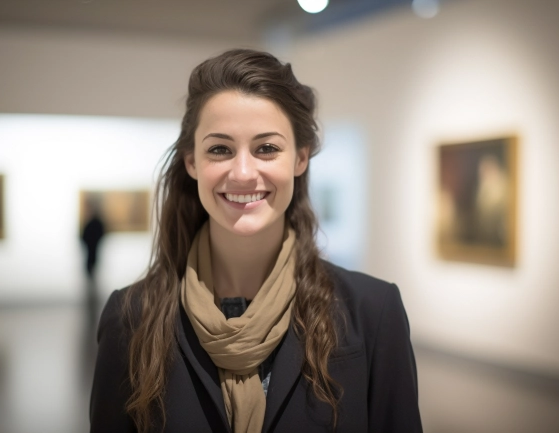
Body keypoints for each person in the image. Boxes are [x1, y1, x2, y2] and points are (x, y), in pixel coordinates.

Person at [90, 49, 422, 433]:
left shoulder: (372, 313)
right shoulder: (130, 319)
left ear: (300, 159)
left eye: (266, 148)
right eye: (220, 149)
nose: (244, 173)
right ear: (192, 162)